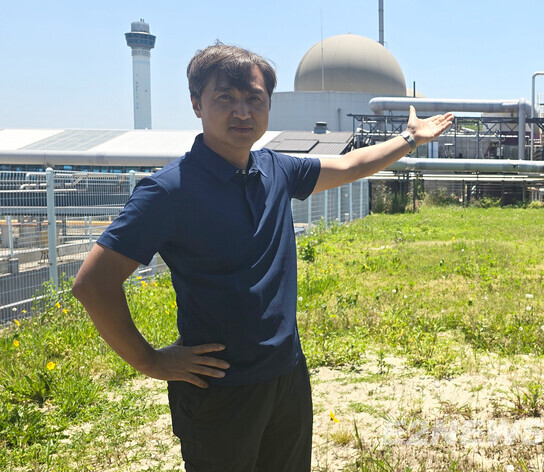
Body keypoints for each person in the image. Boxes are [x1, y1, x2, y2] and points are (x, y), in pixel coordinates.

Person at [71, 43, 453, 471]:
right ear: (196, 104)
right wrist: (151, 361)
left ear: (268, 104)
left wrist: (409, 138)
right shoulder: (168, 191)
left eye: (254, 99)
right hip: (218, 389)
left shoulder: (275, 170)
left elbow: (351, 166)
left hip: (287, 374)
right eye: (225, 98)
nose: (242, 111)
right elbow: (93, 283)